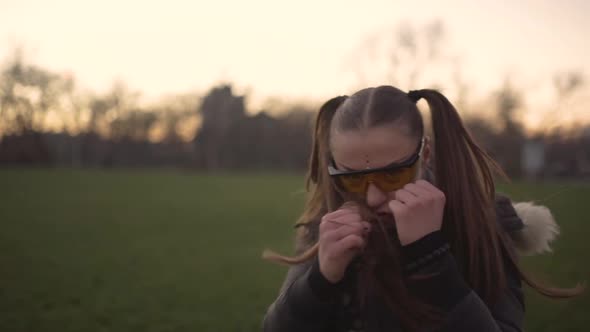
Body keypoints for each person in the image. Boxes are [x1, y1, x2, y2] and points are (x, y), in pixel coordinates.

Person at [262, 86, 583, 332]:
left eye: (393, 174)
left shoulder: (480, 223)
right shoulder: (328, 225)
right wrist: (319, 280)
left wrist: (431, 255)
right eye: (352, 178)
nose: (373, 197)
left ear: (424, 153)